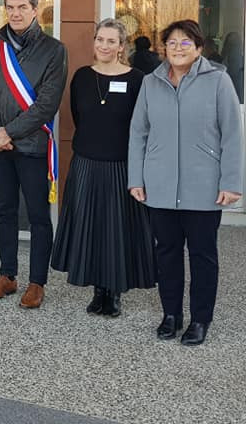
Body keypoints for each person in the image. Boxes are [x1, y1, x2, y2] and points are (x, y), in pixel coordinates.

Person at [129, 19, 244, 346]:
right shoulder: (151, 82)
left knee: (202, 255)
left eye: (185, 42)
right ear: (163, 47)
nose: (178, 48)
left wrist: (231, 181)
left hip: (203, 186)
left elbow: (232, 135)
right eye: (172, 42)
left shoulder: (218, 81)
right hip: (160, 186)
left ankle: (200, 319)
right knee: (165, 253)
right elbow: (138, 132)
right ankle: (171, 315)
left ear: (198, 47)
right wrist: (136, 177)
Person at [50, 19, 155, 317]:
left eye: (111, 41)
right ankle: (97, 290)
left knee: (117, 231)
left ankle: (114, 292)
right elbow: (79, 117)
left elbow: (142, 126)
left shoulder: (137, 79)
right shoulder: (82, 77)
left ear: (122, 46)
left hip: (121, 165)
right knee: (91, 228)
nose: (104, 46)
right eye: (100, 40)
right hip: (86, 163)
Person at [0, 0, 67, 309]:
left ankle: (37, 283)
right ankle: (8, 276)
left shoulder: (54, 50)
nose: (15, 13)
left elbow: (46, 105)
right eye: (10, 7)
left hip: (32, 146)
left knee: (39, 216)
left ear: (34, 10)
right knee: (4, 211)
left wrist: (8, 132)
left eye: (22, 8)